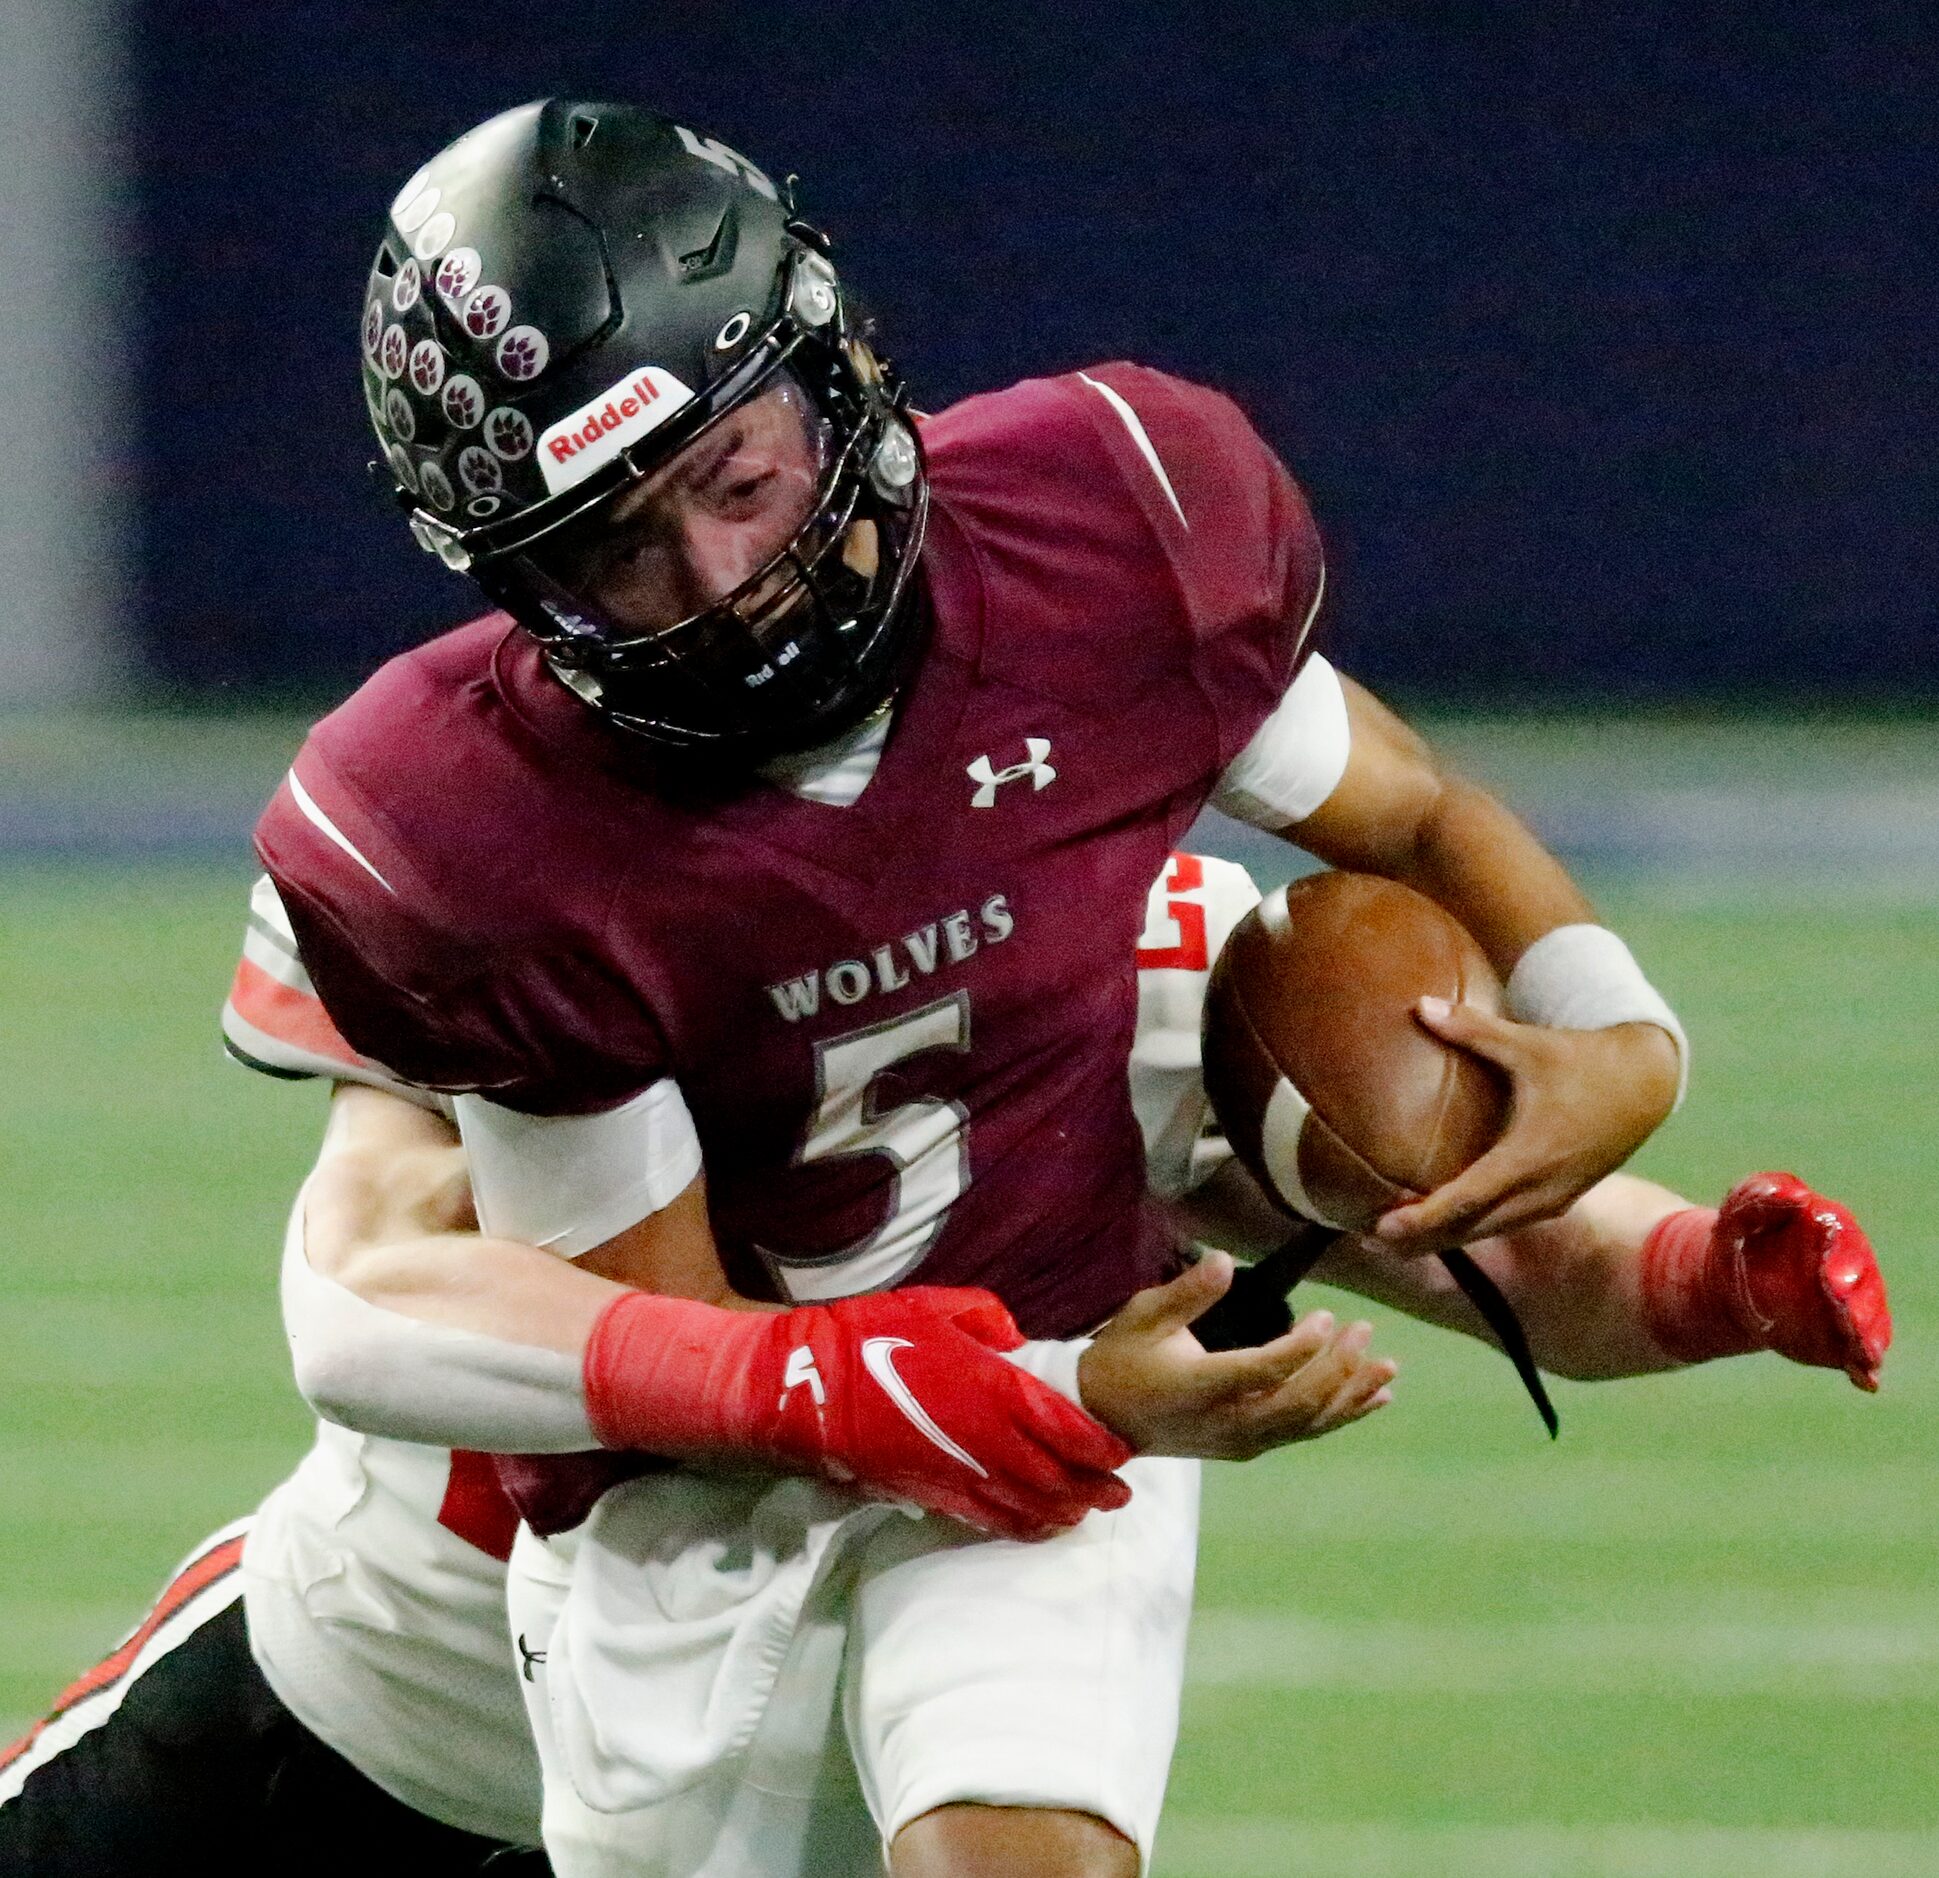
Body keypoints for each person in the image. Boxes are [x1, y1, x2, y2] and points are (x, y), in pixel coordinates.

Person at [233, 96, 1872, 1876]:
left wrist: (1632, 1066)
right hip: (679, 1494)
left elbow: (1422, 1058)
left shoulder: (1116, 575)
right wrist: (1074, 1387)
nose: (723, 586)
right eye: (616, 549)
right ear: (512, 586)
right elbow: (637, 1343)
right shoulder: (467, 826)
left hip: (1037, 1399)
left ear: (838, 370)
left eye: (739, 477)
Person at [0, 851, 1886, 1872]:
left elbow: (1471, 1213)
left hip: (753, 1766)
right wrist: (797, 1376)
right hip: (379, 1684)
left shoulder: (1130, 947)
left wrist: (1708, 1277)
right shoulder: (526, 868)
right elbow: (371, 1269)